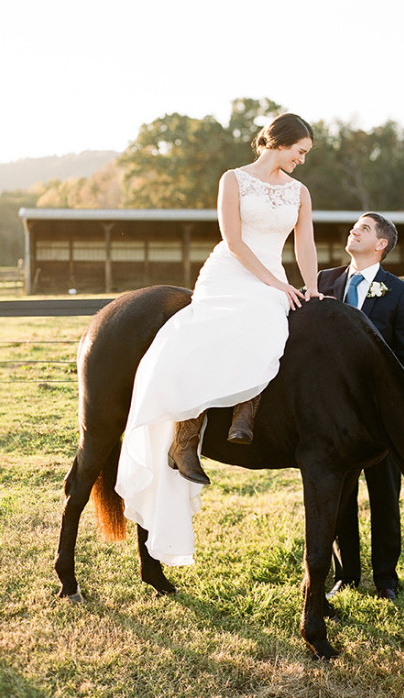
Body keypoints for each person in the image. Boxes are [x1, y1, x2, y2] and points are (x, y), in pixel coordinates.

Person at [115, 113, 323, 567]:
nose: (302, 161)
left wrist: (308, 284)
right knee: (243, 314)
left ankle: (244, 412)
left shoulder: (299, 193)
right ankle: (186, 434)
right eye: (299, 151)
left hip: (272, 275)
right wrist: (273, 283)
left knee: (275, 312)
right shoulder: (233, 179)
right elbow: (233, 240)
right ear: (279, 142)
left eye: (304, 154)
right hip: (232, 271)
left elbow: (304, 244)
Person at [317, 212, 404, 602]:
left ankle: (386, 579)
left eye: (364, 228)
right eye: (353, 227)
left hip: (381, 418)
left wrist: (399, 416)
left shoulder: (399, 293)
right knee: (337, 495)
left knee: (384, 498)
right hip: (331, 415)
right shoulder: (322, 282)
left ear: (381, 244)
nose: (354, 231)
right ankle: (345, 575)